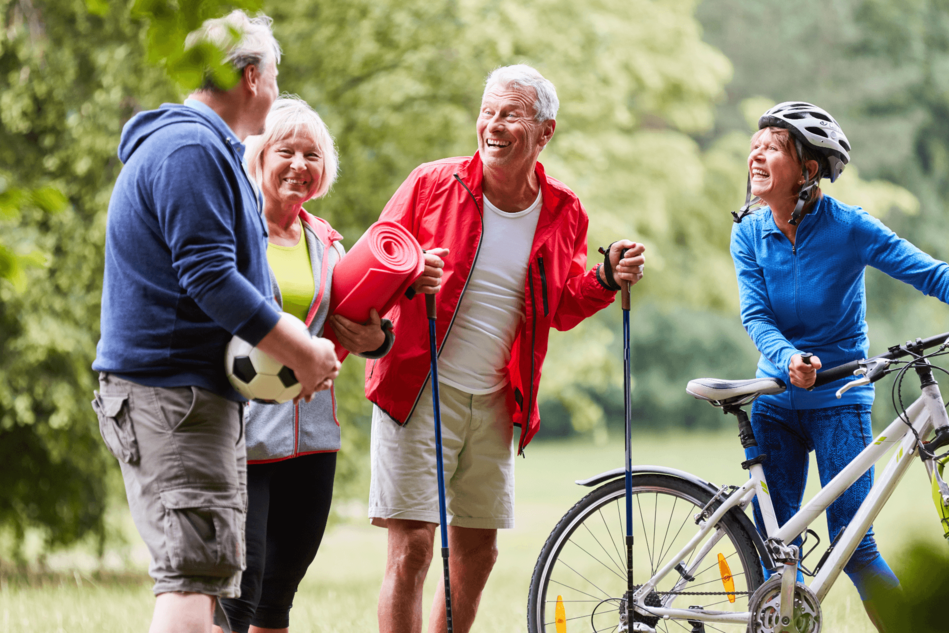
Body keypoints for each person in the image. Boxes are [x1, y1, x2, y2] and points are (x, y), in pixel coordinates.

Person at [366, 64, 646, 633]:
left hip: (497, 400)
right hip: (418, 388)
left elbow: (559, 306)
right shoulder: (431, 184)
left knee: (477, 552)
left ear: (544, 132)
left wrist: (605, 278)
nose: (492, 125)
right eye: (487, 112)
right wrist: (410, 275)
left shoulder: (564, 211)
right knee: (414, 547)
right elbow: (373, 264)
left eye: (510, 115)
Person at [92, 14, 340, 633]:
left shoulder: (206, 149)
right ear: (251, 77)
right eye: (274, 78)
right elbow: (209, 277)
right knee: (189, 581)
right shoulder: (190, 149)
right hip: (174, 398)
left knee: (202, 587)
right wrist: (300, 350)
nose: (274, 91)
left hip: (192, 398)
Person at [730, 101, 949, 630]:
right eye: (755, 146)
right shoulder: (747, 231)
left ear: (808, 170)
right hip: (774, 400)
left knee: (855, 546)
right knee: (772, 551)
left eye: (772, 148)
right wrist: (787, 358)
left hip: (839, 400)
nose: (756, 155)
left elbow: (929, 273)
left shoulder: (849, 227)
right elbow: (756, 315)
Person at [218, 96, 394, 633]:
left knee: (279, 594)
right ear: (259, 156)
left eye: (312, 155)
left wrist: (379, 339)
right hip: (242, 436)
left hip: (311, 438)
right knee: (238, 591)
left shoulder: (327, 243)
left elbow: (358, 324)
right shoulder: (230, 228)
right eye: (286, 151)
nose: (299, 164)